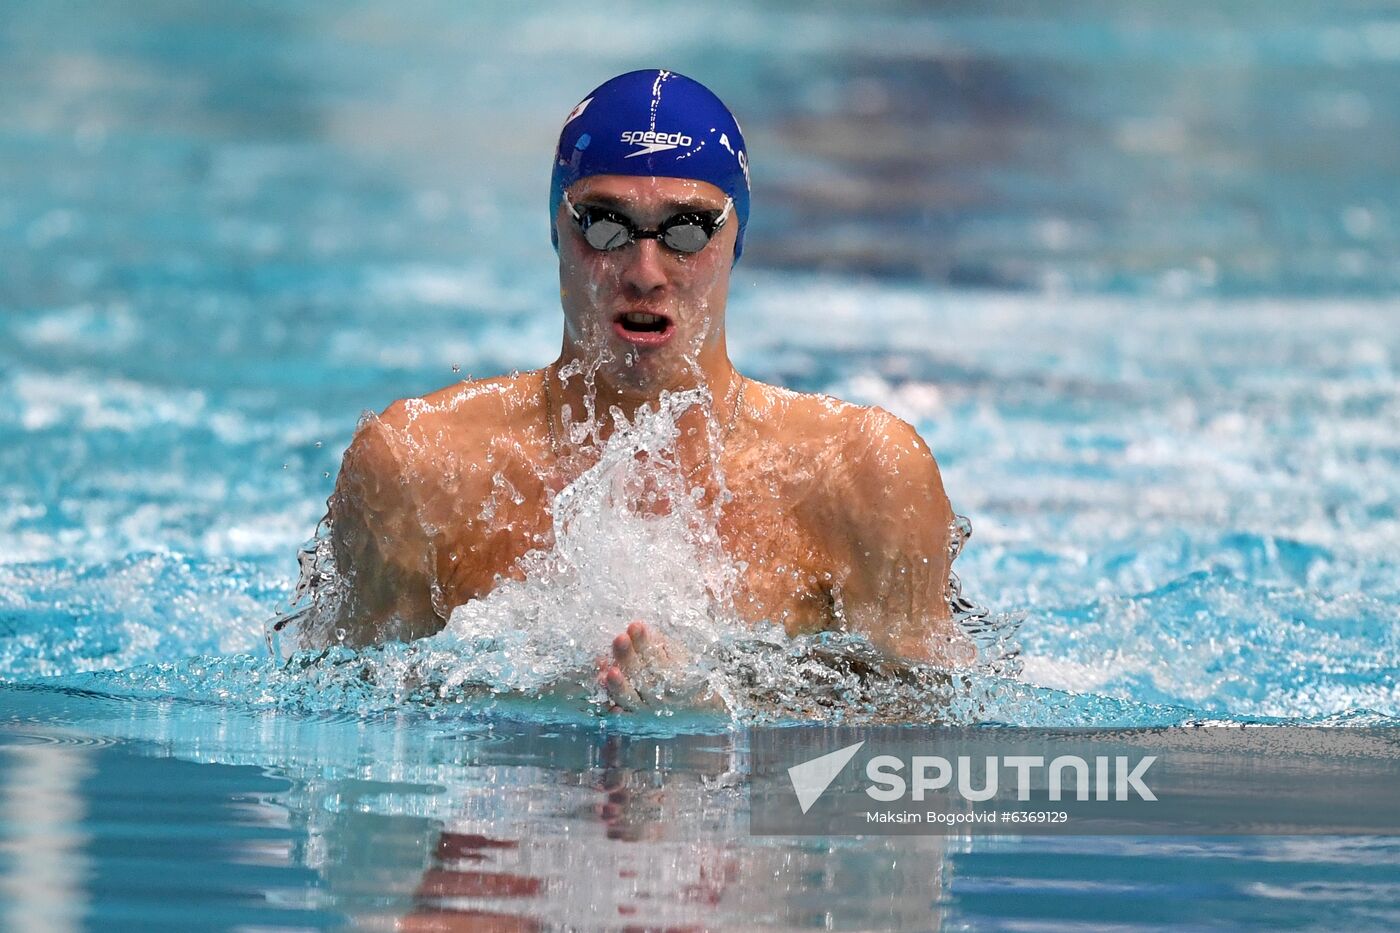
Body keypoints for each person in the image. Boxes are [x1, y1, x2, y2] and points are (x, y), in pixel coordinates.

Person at [297, 70, 971, 709]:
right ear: (556, 230)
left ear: (737, 238)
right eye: (605, 224)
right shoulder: (420, 470)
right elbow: (340, 718)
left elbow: (925, 737)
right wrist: (539, 698)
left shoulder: (859, 476)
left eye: (688, 229)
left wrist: (722, 708)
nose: (645, 271)